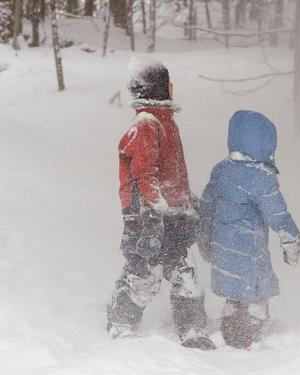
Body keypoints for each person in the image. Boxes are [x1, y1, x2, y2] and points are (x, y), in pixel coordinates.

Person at [106, 57, 215, 350]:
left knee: (184, 275)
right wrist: (157, 209)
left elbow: (173, 173)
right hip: (147, 218)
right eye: (168, 83)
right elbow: (144, 175)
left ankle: (192, 327)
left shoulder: (166, 123)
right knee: (144, 275)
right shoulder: (145, 125)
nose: (172, 88)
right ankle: (121, 321)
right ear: (160, 88)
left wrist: (188, 201)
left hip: (174, 216)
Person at [198, 110, 300, 349]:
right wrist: (291, 242)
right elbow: (278, 215)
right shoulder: (261, 176)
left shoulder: (221, 170)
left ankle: (232, 327)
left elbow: (206, 207)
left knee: (234, 293)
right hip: (250, 252)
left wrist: (205, 240)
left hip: (223, 251)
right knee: (255, 294)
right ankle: (249, 337)